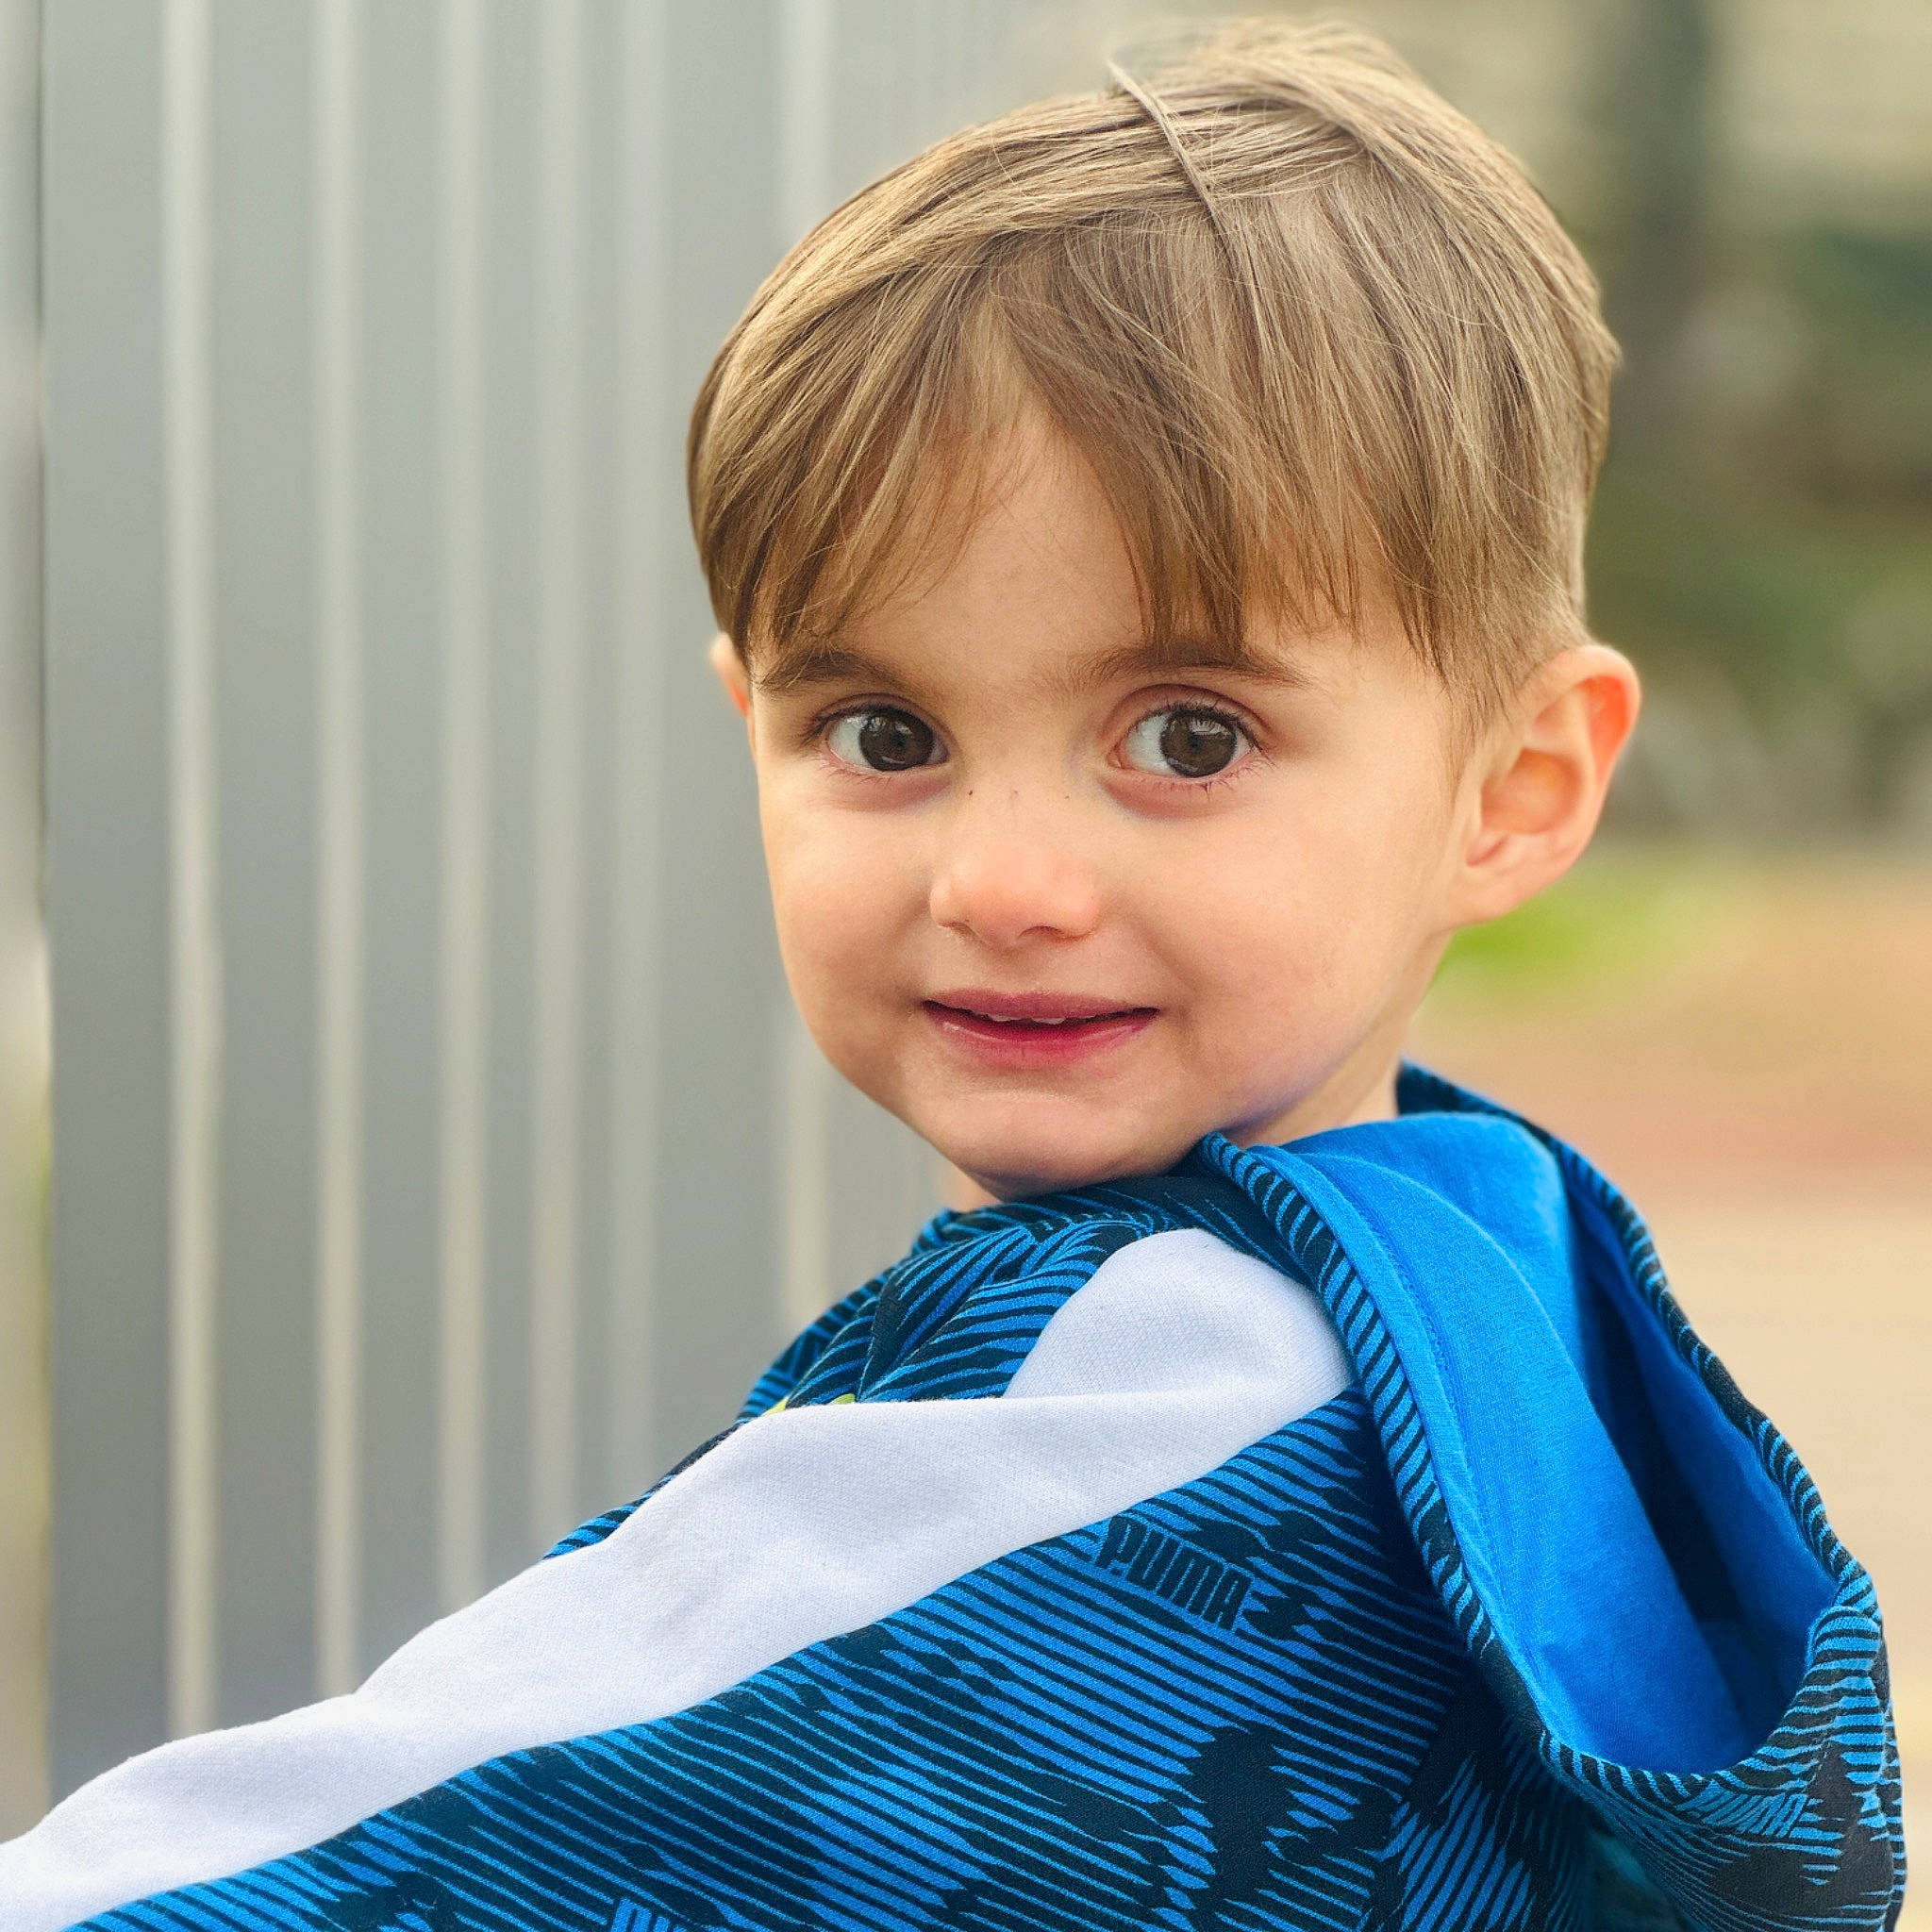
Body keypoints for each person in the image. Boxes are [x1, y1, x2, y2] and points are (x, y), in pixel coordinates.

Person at [2, 20, 1903, 1932]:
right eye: (886, 732)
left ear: (1513, 788)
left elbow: (446, 1830)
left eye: (1184, 737)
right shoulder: (1488, 1266)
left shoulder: (1158, 1415)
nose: (999, 883)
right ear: (748, 719)